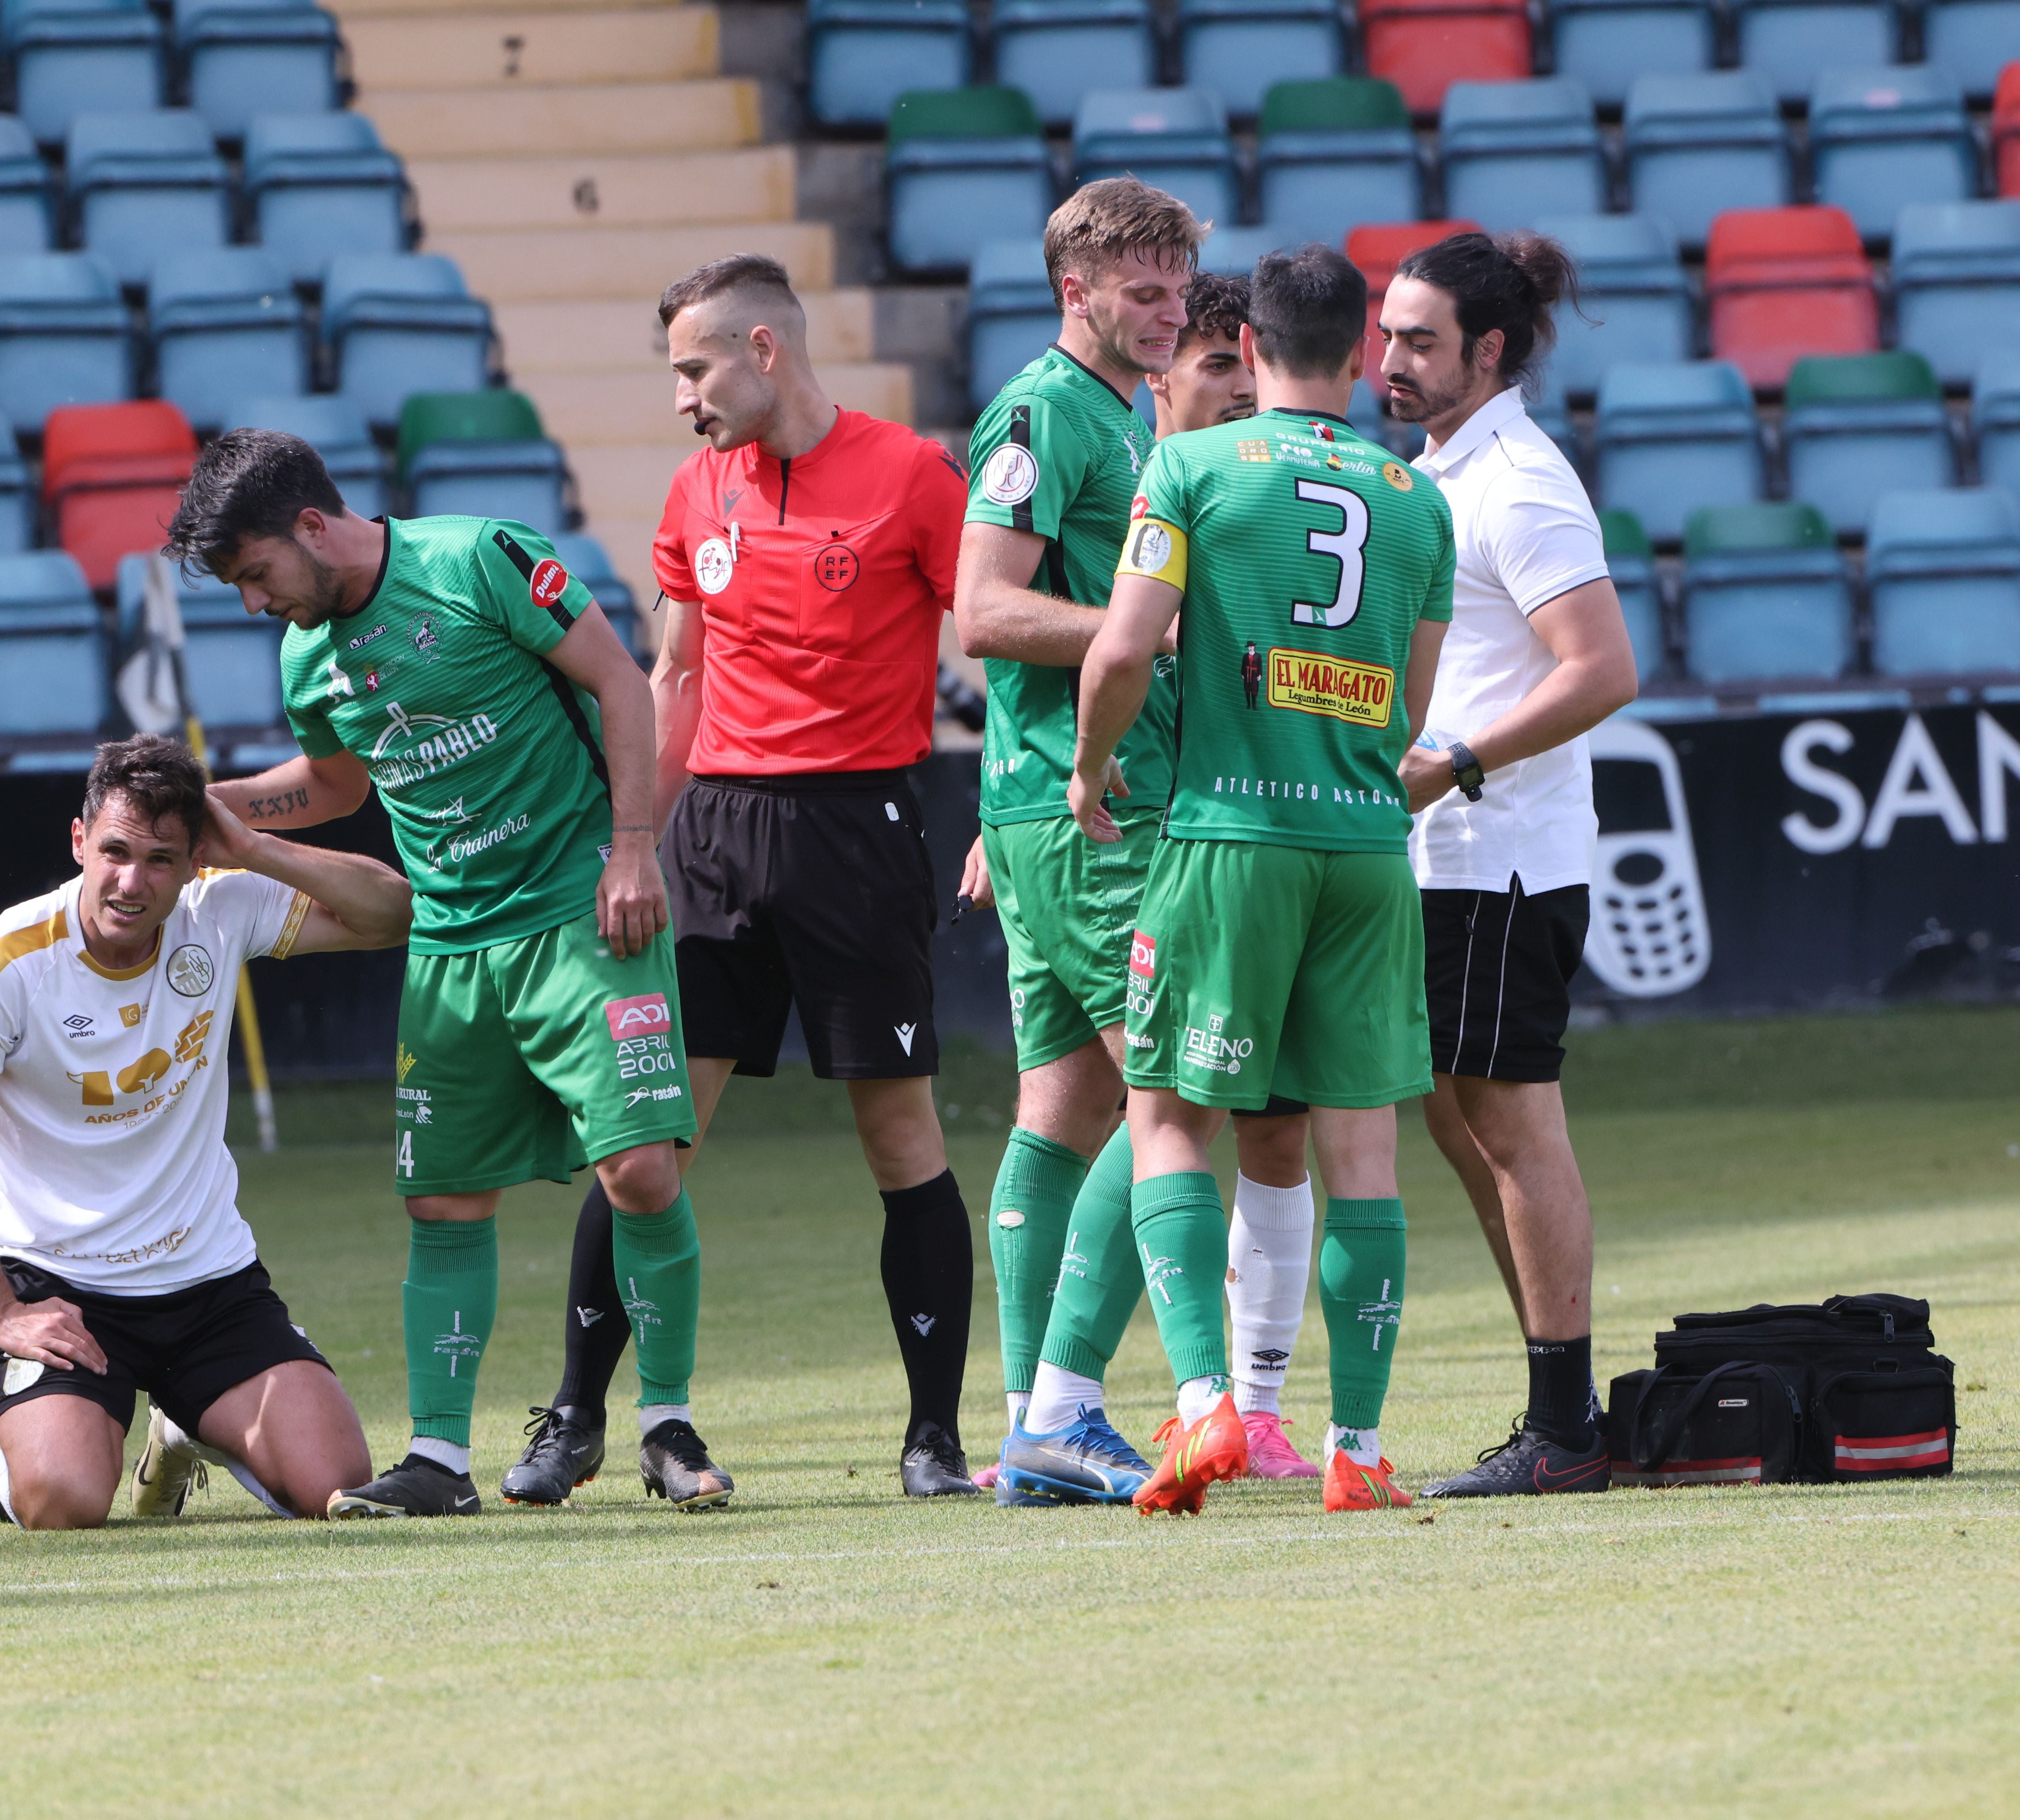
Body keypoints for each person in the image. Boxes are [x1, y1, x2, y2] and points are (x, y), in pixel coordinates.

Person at [172, 431, 733, 1517]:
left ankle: (667, 1423)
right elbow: (337, 786)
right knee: (442, 1200)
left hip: (582, 909)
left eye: (256, 574)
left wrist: (630, 849)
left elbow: (624, 684)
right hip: (450, 941)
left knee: (642, 1173)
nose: (253, 603)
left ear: (314, 525)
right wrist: (209, 809)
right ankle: (438, 1458)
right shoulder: (306, 654)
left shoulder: (483, 559)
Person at [500, 253, 980, 1505]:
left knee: (899, 1133)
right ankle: (580, 1418)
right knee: (645, 1142)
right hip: (711, 836)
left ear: (766, 351)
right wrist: (634, 839)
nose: (683, 398)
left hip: (859, 832)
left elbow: (990, 638)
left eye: (696, 368)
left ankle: (934, 1435)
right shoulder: (694, 490)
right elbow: (675, 678)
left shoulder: (917, 477)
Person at [1071, 243, 1456, 1516]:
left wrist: (1090, 764)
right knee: (1360, 1146)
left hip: (1230, 833)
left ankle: (1201, 1411)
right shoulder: (1416, 496)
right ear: (1358, 356)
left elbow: (1125, 647)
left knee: (1167, 1114)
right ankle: (1355, 1447)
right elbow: (1412, 704)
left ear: (1246, 351)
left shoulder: (1188, 465)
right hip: (1362, 845)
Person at [947, 192, 1312, 1508]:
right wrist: (1140, 631)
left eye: (1182, 293)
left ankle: (1029, 1415)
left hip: (1051, 805)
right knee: (1180, 1096)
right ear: (1076, 288)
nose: (1170, 315)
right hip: (1092, 809)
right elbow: (979, 611)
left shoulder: (1115, 414)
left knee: (1064, 1109)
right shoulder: (1044, 413)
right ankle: (1075, 1406)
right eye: (1149, 296)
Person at [0, 734, 412, 1530]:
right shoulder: (1, 964)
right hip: (64, 1288)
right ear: (79, 842)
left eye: (163, 860)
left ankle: (186, 1427)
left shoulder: (220, 908)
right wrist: (3, 1314)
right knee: (64, 1504)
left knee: (337, 1483)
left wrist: (251, 847)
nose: (131, 883)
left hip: (210, 1286)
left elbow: (391, 913)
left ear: (194, 862)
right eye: (114, 852)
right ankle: (36, 1455)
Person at [1372, 232, 1639, 1498]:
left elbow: (1604, 670)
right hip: (1449, 856)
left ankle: (1564, 1428)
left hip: (1499, 855)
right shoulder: (1444, 471)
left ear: (1490, 349)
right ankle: (1567, 1402)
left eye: (1420, 341)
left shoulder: (1521, 480)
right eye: (1386, 335)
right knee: (1454, 1116)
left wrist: (1455, 760)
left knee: (1510, 1124)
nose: (1392, 361)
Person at [1147, 270, 1258, 435]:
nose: (1248, 389)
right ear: (1157, 375)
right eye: (1220, 366)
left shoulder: (1288, 458)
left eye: (1253, 367)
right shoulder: (1106, 459)